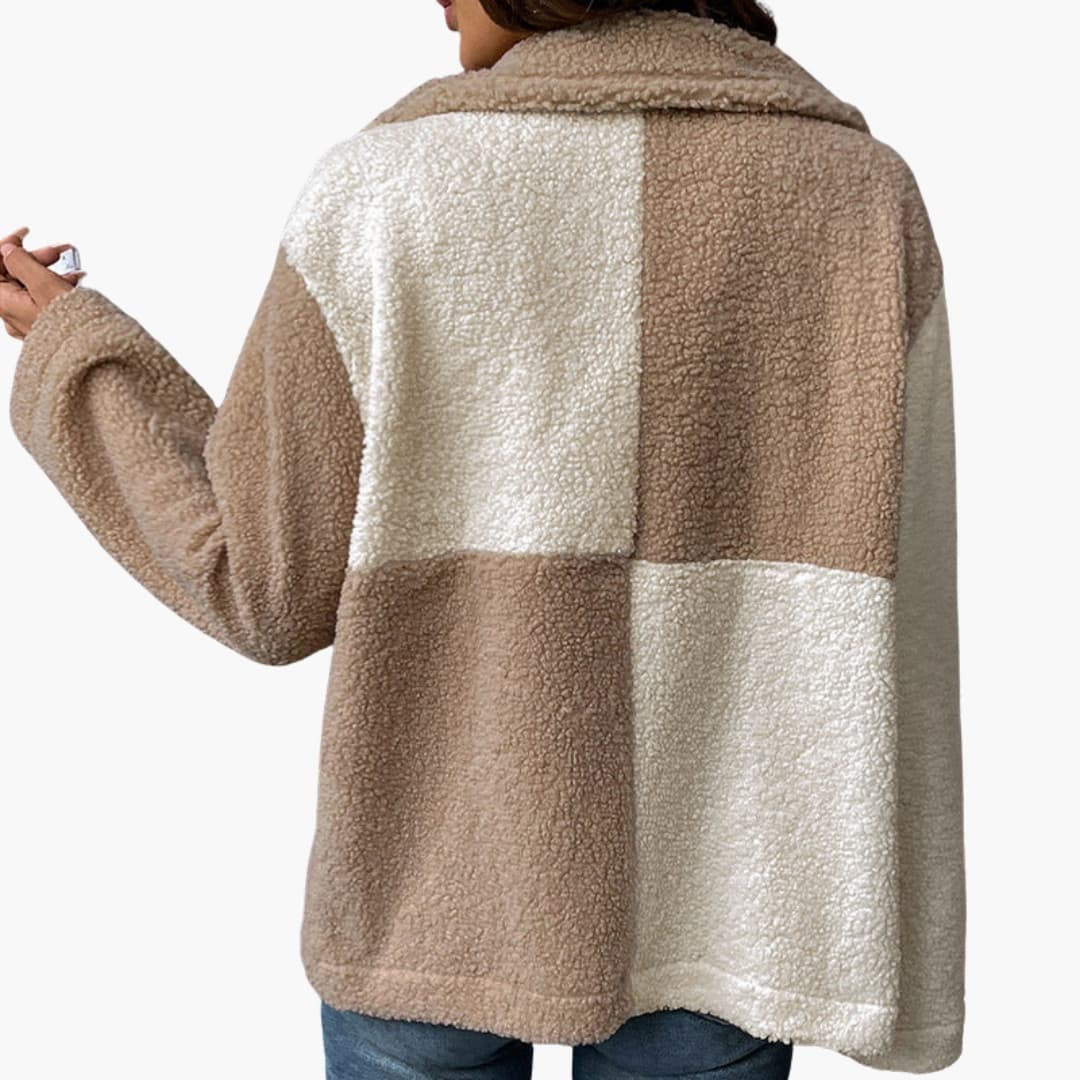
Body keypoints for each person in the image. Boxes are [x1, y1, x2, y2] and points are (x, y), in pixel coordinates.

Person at [1, 1, 965, 1077]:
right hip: (734, 890)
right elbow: (892, 599)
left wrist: (74, 350)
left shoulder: (386, 188)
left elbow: (260, 586)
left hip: (434, 879)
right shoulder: (863, 196)